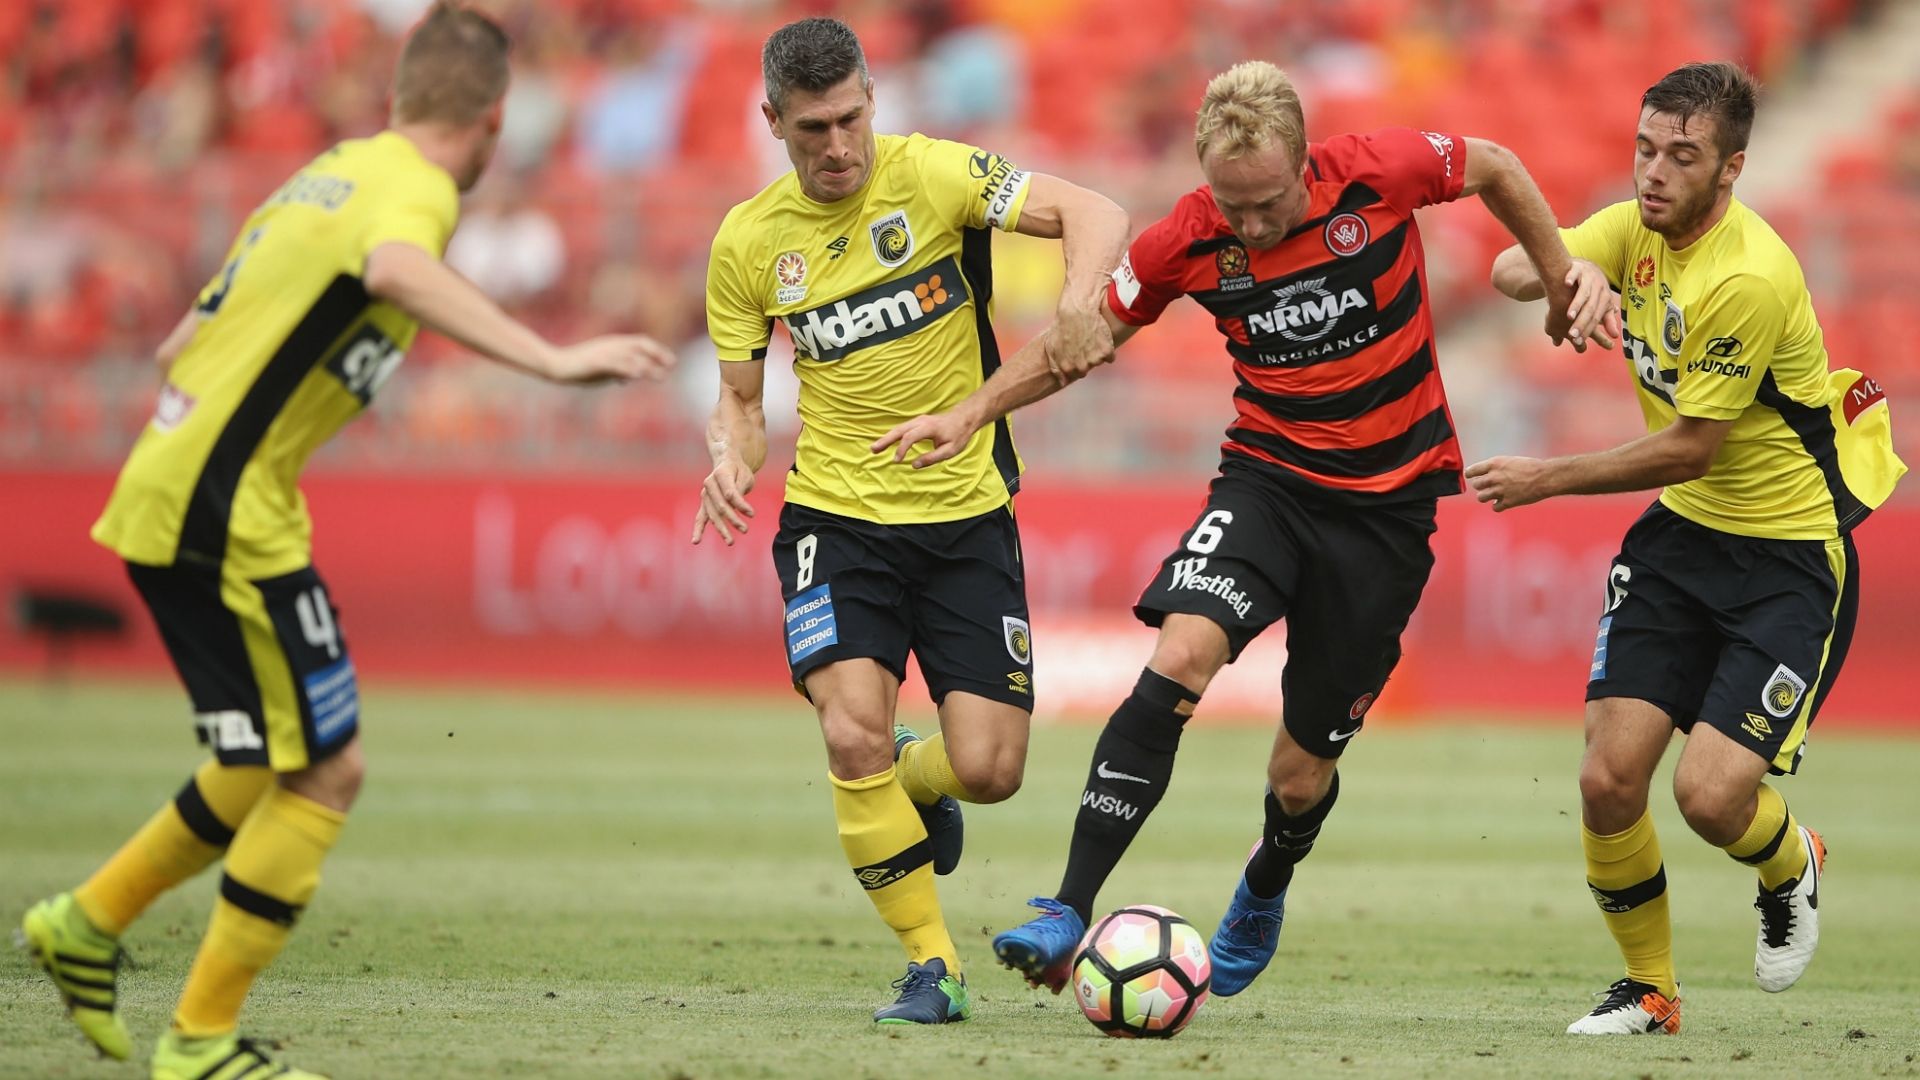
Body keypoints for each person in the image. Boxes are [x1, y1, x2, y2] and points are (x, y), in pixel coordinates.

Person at [15, 6, 674, 1078]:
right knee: (328, 770)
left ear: (399, 95)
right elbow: (394, 274)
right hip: (229, 506)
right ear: (496, 120)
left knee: (252, 760)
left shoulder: (325, 172)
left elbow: (185, 337)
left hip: (180, 483)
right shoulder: (411, 193)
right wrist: (552, 361)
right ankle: (199, 1041)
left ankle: (86, 927)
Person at [874, 59, 1607, 1001]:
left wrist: (1556, 278)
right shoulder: (1189, 234)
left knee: (1300, 776)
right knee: (1181, 654)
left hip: (1388, 513)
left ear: (1308, 163)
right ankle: (1065, 909)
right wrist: (976, 412)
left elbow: (1498, 164)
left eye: (1267, 205)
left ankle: (1265, 882)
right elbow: (1082, 339)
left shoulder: (1382, 168)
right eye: (1234, 206)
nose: (1251, 227)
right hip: (1267, 485)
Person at [692, 17, 1128, 1026]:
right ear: (773, 122)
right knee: (852, 737)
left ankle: (917, 781)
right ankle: (934, 968)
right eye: (811, 130)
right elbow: (746, 406)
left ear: (873, 98)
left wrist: (1075, 299)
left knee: (990, 769)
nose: (837, 147)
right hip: (834, 520)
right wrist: (727, 458)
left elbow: (1094, 209)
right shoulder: (748, 243)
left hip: (967, 514)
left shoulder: (935, 176)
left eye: (849, 119)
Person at [1470, 61, 1905, 1036]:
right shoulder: (1638, 224)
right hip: (1683, 540)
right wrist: (1566, 266)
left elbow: (1690, 445)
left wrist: (1546, 478)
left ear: (1732, 169)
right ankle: (1652, 992)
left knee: (1710, 797)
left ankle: (1792, 862)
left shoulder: (1748, 276)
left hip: (1788, 557)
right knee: (1605, 779)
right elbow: (1504, 271)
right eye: (1643, 149)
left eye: (1683, 156)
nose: (1654, 173)